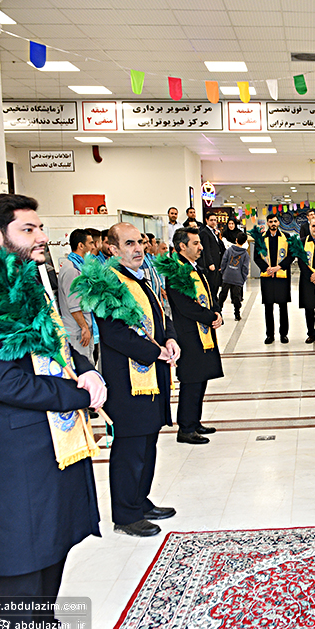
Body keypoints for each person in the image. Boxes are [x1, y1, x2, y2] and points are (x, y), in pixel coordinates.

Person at [0, 193, 108, 629]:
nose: (41, 237)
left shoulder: (33, 287)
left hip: (57, 441)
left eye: (40, 228)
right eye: (28, 229)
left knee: (54, 544)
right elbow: (2, 383)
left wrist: (86, 370)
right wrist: (77, 395)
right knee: (22, 560)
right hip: (19, 451)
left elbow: (58, 346)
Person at [97, 223, 180, 538]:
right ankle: (126, 514)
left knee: (148, 443)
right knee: (130, 447)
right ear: (112, 249)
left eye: (140, 242)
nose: (138, 249)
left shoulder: (139, 277)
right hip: (127, 383)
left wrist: (170, 338)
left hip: (152, 378)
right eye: (129, 243)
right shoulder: (108, 283)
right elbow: (114, 333)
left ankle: (140, 500)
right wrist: (155, 351)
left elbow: (161, 316)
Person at [165, 227, 224, 445]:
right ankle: (186, 428)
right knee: (191, 382)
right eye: (195, 243)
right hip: (189, 336)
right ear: (182, 246)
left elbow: (209, 294)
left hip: (203, 334)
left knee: (200, 380)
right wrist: (210, 316)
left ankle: (194, 421)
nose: (200, 248)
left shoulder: (194, 268)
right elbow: (185, 306)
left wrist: (217, 312)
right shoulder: (176, 271)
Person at [253, 213, 295, 343]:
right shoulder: (261, 239)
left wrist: (278, 267)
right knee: (268, 307)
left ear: (278, 223)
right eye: (270, 222)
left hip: (282, 276)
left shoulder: (286, 237)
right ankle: (270, 335)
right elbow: (256, 257)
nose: (273, 224)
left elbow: (291, 256)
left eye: (275, 221)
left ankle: (284, 334)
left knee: (283, 307)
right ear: (267, 223)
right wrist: (267, 268)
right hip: (267, 277)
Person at [56, 229, 97, 361]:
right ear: (81, 245)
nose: (93, 247)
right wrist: (84, 327)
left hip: (84, 328)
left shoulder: (79, 266)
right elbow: (74, 304)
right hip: (78, 331)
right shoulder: (72, 269)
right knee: (83, 366)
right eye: (90, 243)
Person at [219, 233, 248, 321]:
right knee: (236, 296)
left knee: (223, 295)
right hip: (237, 278)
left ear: (236, 240)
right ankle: (237, 314)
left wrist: (223, 272)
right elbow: (245, 268)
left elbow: (224, 261)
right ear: (245, 242)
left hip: (227, 276)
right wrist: (243, 278)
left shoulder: (229, 250)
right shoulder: (245, 254)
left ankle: (219, 311)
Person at [199, 213, 225, 298]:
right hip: (211, 264)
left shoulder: (214, 232)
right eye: (211, 220)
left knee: (216, 285)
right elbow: (206, 249)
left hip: (217, 262)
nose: (213, 222)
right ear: (206, 220)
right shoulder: (205, 233)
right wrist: (210, 263)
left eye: (215, 220)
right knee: (212, 286)